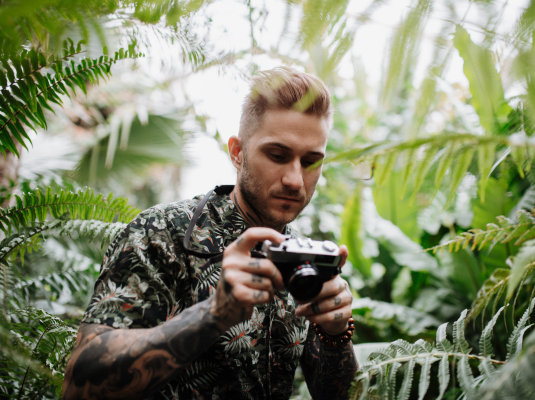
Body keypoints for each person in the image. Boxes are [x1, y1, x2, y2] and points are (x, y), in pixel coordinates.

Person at [62, 66, 359, 400]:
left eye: (310, 162)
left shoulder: (301, 257)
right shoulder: (162, 233)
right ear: (237, 152)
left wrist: (335, 334)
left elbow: (337, 395)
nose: (294, 179)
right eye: (277, 155)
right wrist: (214, 314)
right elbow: (80, 386)